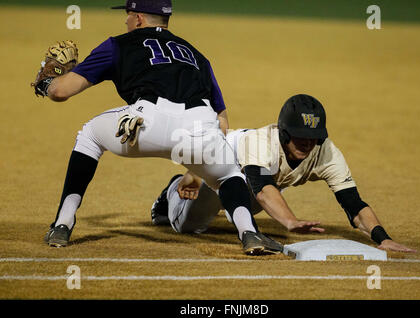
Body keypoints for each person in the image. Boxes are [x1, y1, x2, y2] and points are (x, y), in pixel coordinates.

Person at [39, 0, 290, 254]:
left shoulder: (117, 45)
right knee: (229, 175)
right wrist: (201, 165)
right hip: (199, 127)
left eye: (127, 15)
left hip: (145, 123)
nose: (125, 21)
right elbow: (222, 120)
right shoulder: (197, 55)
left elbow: (60, 91)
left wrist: (47, 80)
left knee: (90, 135)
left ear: (138, 18)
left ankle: (62, 223)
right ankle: (249, 233)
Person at [151, 94, 416, 253]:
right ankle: (174, 189)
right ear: (284, 132)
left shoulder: (325, 152)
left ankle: (232, 212)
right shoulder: (261, 142)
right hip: (216, 165)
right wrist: (289, 221)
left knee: (248, 205)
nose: (307, 143)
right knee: (188, 225)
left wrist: (383, 238)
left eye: (314, 137)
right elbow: (264, 189)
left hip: (253, 186)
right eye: (301, 136)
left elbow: (353, 204)